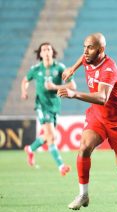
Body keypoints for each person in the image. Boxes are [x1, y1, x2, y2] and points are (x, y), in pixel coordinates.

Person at [57, 33, 117, 212]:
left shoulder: (109, 69)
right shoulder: (89, 58)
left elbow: (102, 97)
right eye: (84, 47)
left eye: (90, 47)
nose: (85, 52)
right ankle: (83, 194)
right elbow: (84, 58)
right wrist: (73, 68)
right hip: (98, 117)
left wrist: (75, 94)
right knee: (84, 147)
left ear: (101, 50)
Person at [21, 42, 76, 176]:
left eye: (48, 49)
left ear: (52, 52)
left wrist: (55, 87)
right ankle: (61, 166)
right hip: (41, 105)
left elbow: (72, 85)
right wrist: (24, 91)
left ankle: (30, 149)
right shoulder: (36, 69)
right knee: (51, 137)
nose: (46, 52)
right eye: (43, 50)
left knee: (49, 136)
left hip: (55, 105)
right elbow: (25, 80)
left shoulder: (60, 67)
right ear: (40, 54)